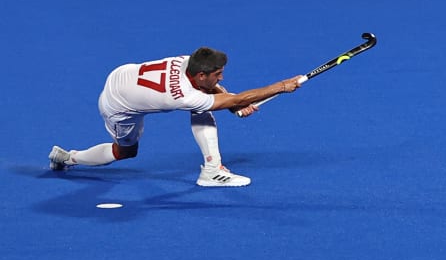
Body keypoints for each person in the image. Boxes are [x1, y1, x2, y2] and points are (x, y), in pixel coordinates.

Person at [48, 47, 305, 188]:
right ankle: (69, 158)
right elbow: (231, 99)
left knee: (204, 104)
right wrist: (281, 86)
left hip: (123, 77)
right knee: (126, 152)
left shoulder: (187, 61)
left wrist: (233, 105)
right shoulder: (181, 94)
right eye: (218, 74)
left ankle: (213, 169)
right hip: (118, 106)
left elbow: (220, 94)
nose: (222, 78)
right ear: (201, 75)